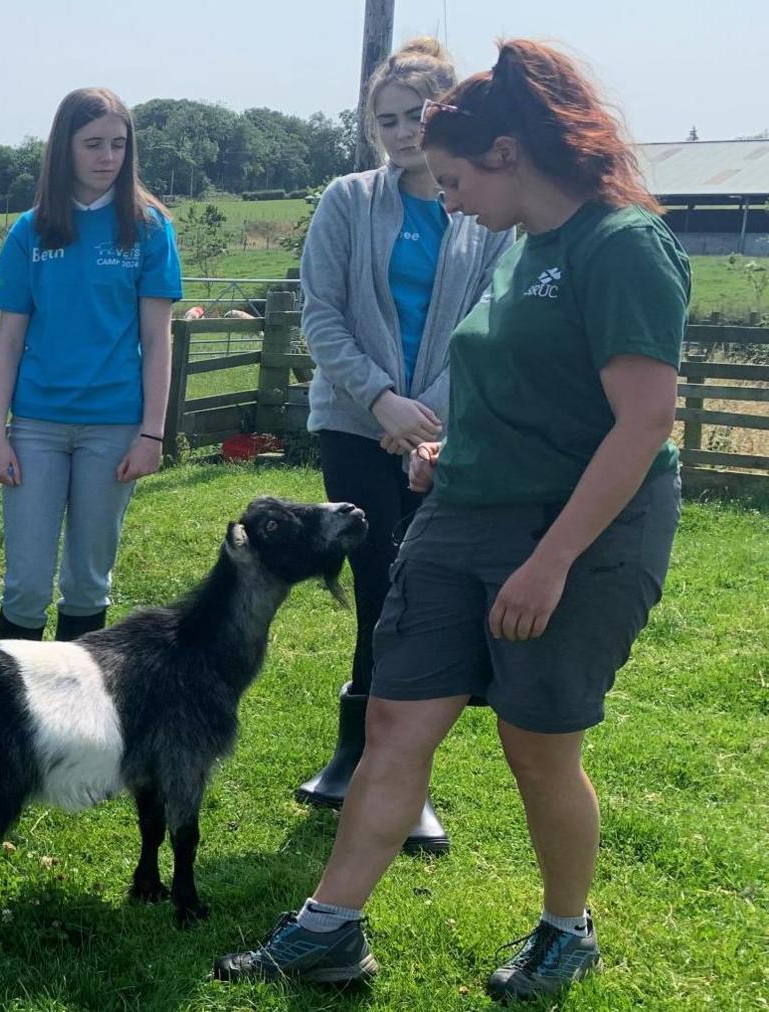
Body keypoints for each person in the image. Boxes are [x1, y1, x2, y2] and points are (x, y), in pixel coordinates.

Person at [217, 40, 688, 1003]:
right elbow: (511, 385)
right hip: (461, 512)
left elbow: (643, 423)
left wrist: (551, 563)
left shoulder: (621, 246)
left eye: (458, 177)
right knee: (394, 717)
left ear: (510, 154)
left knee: (535, 741)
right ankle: (329, 930)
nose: (449, 198)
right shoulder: (524, 250)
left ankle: (568, 930)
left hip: (576, 533)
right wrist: (446, 450)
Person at [294, 38, 513, 855]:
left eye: (414, 114)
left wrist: (427, 419)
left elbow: (492, 324)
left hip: (440, 435)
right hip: (354, 424)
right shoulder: (347, 200)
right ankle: (355, 753)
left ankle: (402, 776)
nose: (398, 131)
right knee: (377, 577)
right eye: (383, 119)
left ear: (447, 111)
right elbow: (321, 313)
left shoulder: (483, 210)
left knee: (420, 594)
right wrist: (380, 399)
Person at [0, 87, 182, 642]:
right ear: (63, 149)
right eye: (93, 144)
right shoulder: (31, 230)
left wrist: (151, 434)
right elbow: (8, 342)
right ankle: (12, 709)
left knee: (89, 582)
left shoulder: (149, 228)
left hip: (115, 428)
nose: (107, 157)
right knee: (25, 583)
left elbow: (157, 338)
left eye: (118, 145)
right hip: (36, 428)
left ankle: (75, 712)